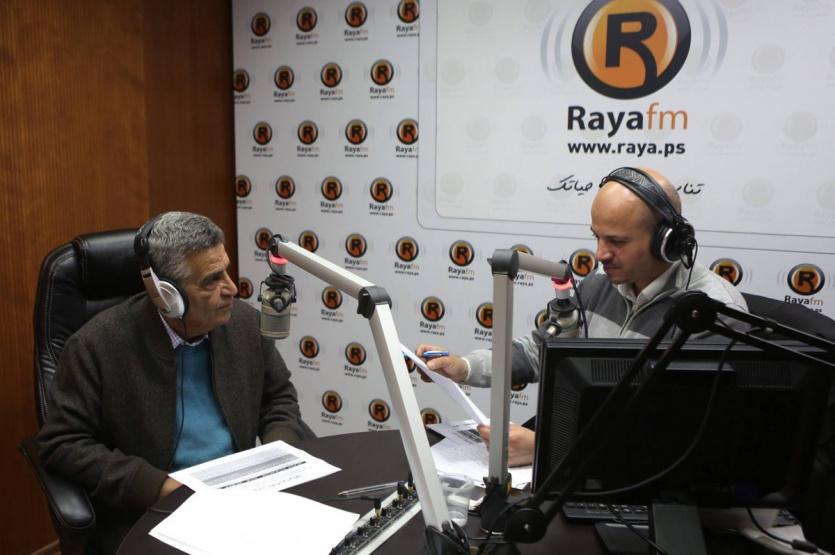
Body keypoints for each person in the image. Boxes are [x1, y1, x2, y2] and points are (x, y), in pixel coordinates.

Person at [416, 167, 747, 467]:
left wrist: (548, 447)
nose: (600, 254)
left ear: (667, 242)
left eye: (616, 241)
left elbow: (681, 434)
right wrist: (463, 367)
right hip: (578, 464)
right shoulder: (597, 288)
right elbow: (538, 351)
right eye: (597, 236)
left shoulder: (709, 312)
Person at [37, 211, 309, 553]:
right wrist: (158, 486)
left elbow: (278, 398)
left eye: (226, 270)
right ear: (167, 295)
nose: (231, 288)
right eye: (211, 280)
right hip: (152, 511)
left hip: (239, 499)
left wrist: (276, 457)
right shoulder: (96, 346)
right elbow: (62, 443)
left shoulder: (244, 324)